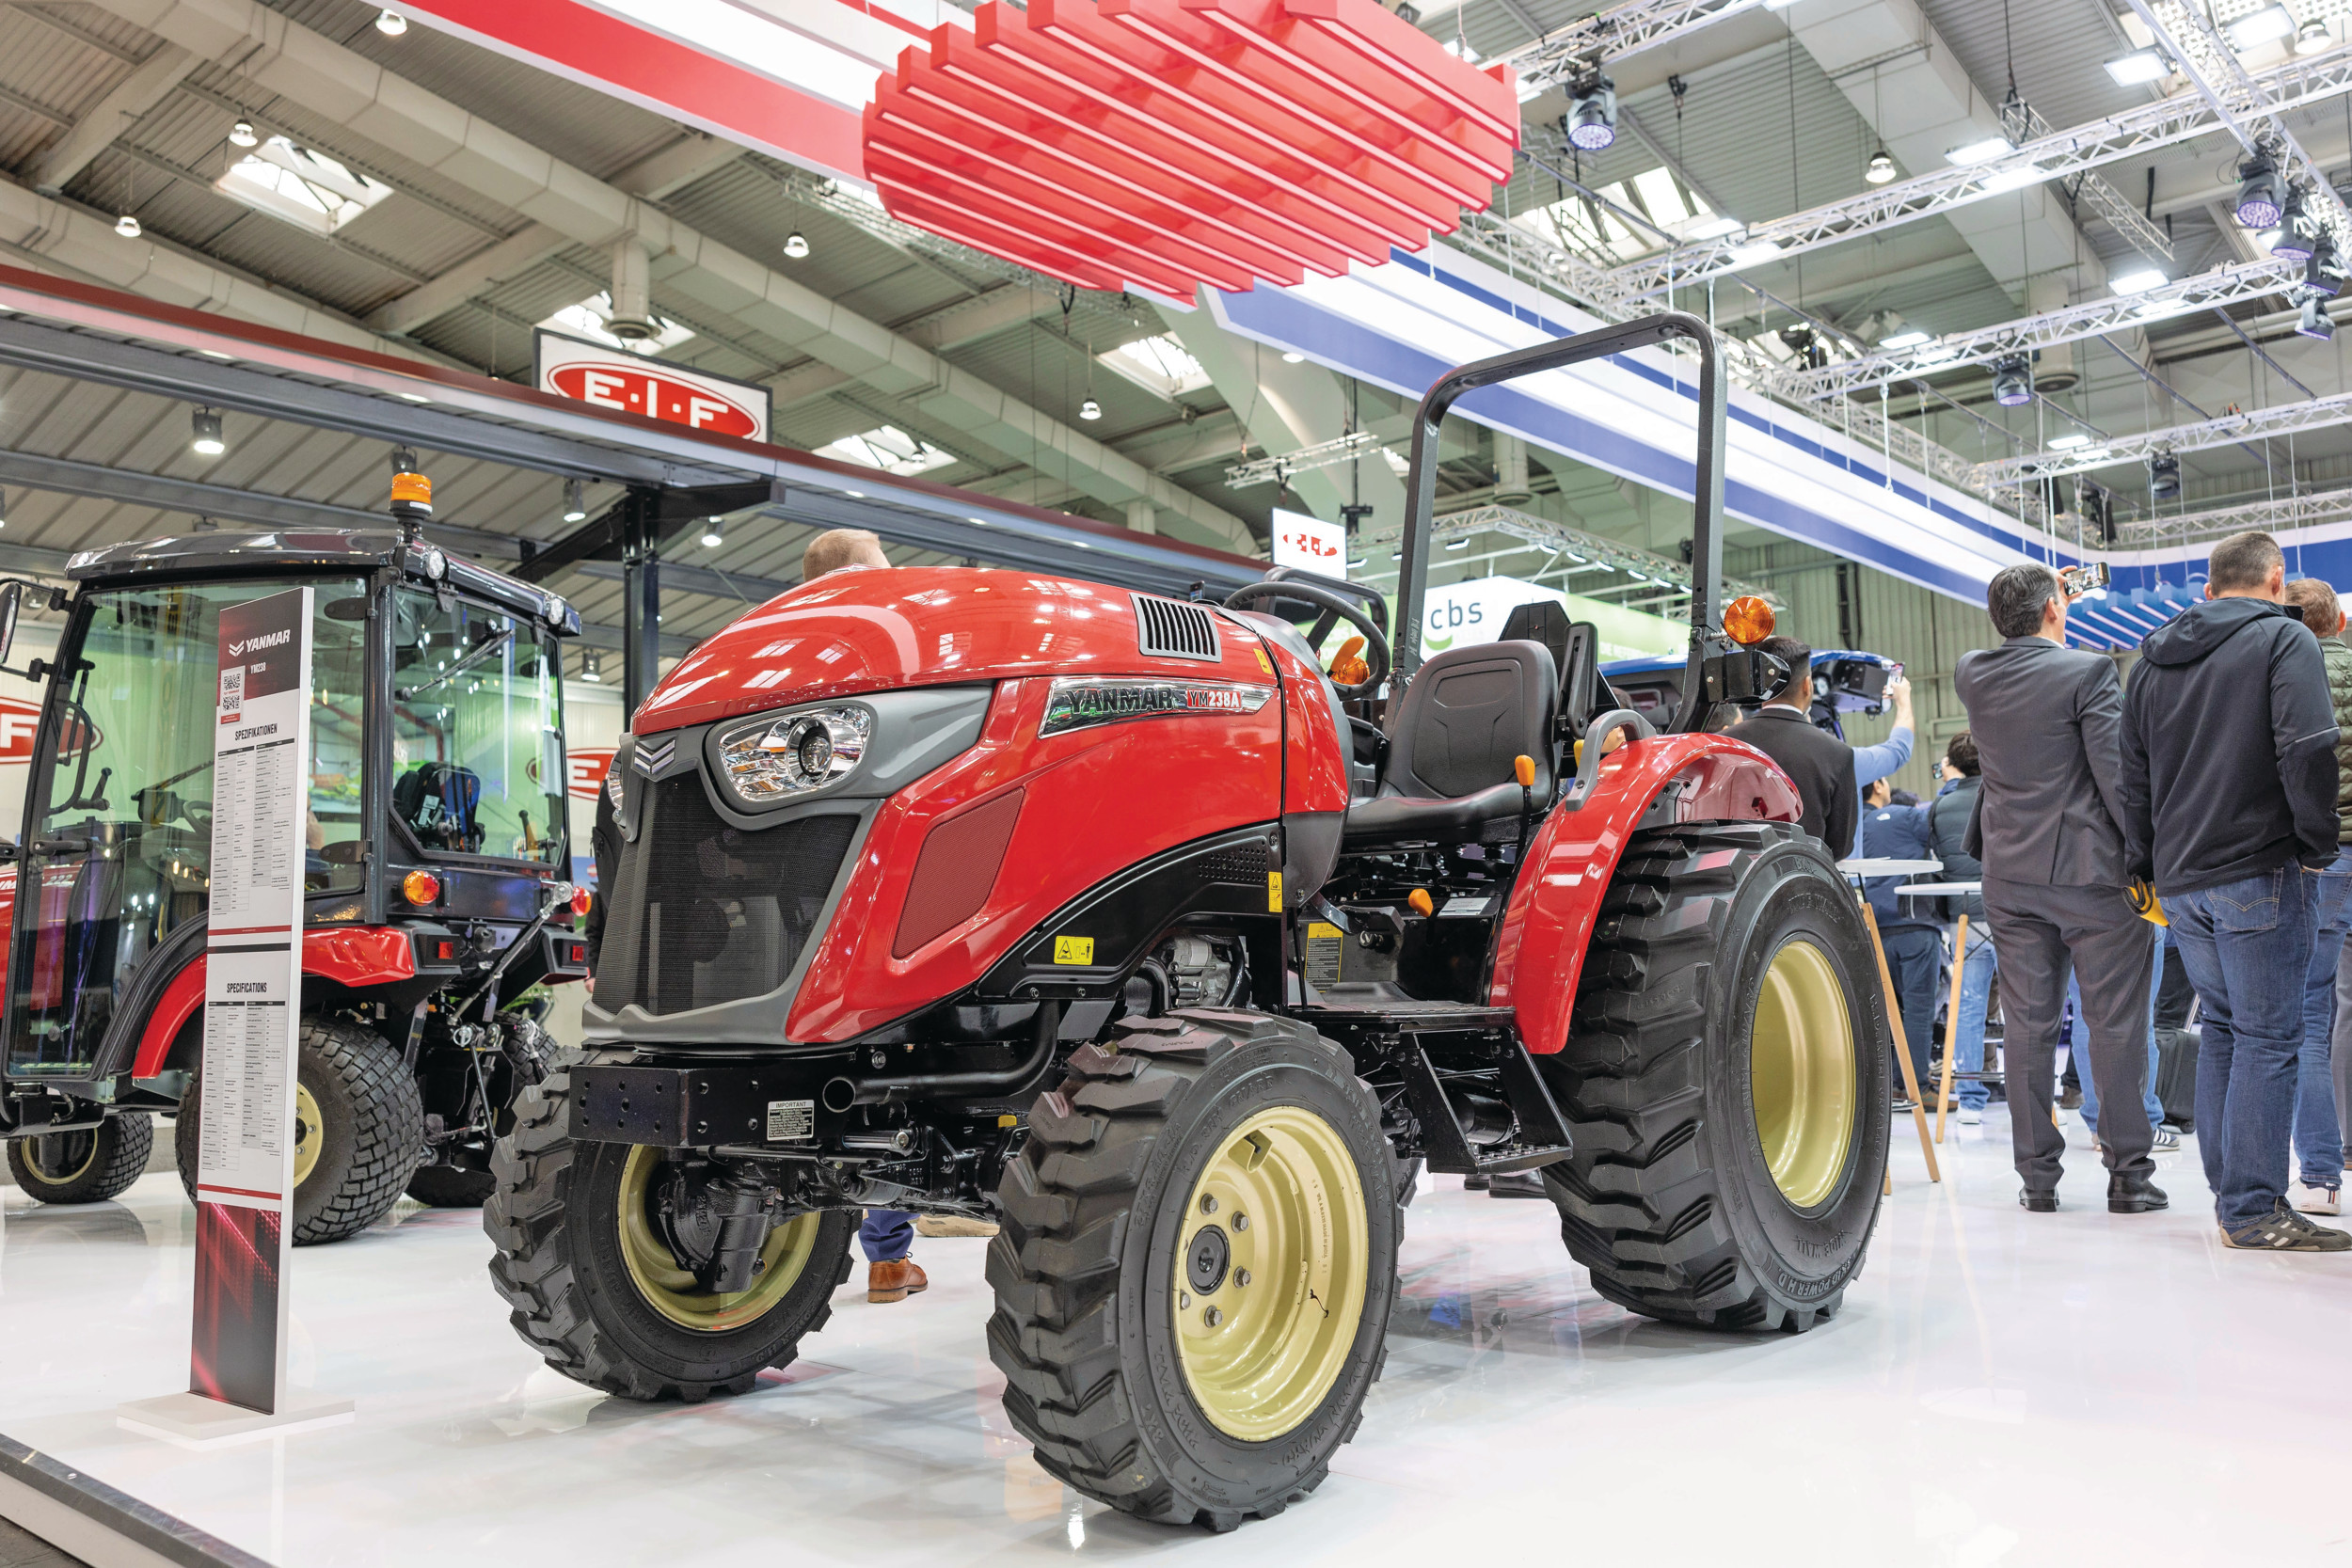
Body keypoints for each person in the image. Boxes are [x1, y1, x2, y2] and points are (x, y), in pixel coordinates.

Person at [2120, 531, 2344, 1252]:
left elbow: (2134, 777)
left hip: (2181, 880)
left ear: (2211, 586)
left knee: (2221, 1024)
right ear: (2276, 579)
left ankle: (2232, 1196)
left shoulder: (2150, 662)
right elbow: (2309, 749)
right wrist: (2316, 844)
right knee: (2271, 1034)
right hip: (2260, 866)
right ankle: (2252, 1208)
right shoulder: (2285, 643)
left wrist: (2144, 866)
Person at [1955, 562, 2163, 1215]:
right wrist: (2147, 858)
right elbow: (2115, 776)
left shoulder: (1972, 673)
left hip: (2008, 875)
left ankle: (2037, 1179)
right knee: (2115, 1025)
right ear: (2053, 609)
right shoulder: (2089, 671)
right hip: (2091, 874)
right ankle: (2128, 1174)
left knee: (2027, 1026)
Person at [801, 528, 933, 1299]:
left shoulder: (784, 651)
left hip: (803, 902)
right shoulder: (875, 641)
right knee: (902, 1064)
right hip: (874, 880)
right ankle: (886, 1252)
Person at [2275, 576, 2350, 1213]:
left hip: (2323, 859)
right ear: (2341, 624)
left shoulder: (2282, 677)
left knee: (2312, 1017)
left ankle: (2322, 1173)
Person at [1724, 635, 1858, 855]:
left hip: (1736, 885)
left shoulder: (1726, 745)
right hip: (1805, 881)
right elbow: (1840, 847)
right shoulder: (1838, 753)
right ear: (1807, 685)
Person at [1925, 733, 1993, 1126]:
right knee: (2026, 1007)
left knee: (1967, 1006)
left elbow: (1935, 856)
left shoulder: (1941, 806)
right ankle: (2034, 1100)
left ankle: (1970, 1099)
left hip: (1963, 918)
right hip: (2010, 913)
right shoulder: (2003, 795)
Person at [1860, 777, 1939, 1101]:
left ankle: (1892, 1083)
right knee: (1919, 1010)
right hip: (1915, 923)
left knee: (1887, 1012)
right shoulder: (1910, 816)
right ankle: (1917, 1086)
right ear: (1879, 784)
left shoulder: (1859, 826)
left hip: (1875, 929)